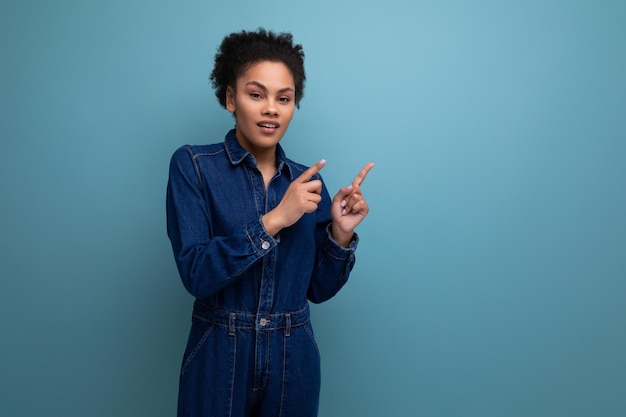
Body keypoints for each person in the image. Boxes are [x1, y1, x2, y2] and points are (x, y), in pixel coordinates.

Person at [166, 28, 374, 417]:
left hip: (292, 355)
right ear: (231, 98)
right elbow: (196, 273)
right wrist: (277, 218)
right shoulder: (193, 166)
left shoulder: (308, 182)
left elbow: (318, 289)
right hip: (219, 351)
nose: (271, 109)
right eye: (256, 94)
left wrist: (340, 236)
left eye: (284, 98)